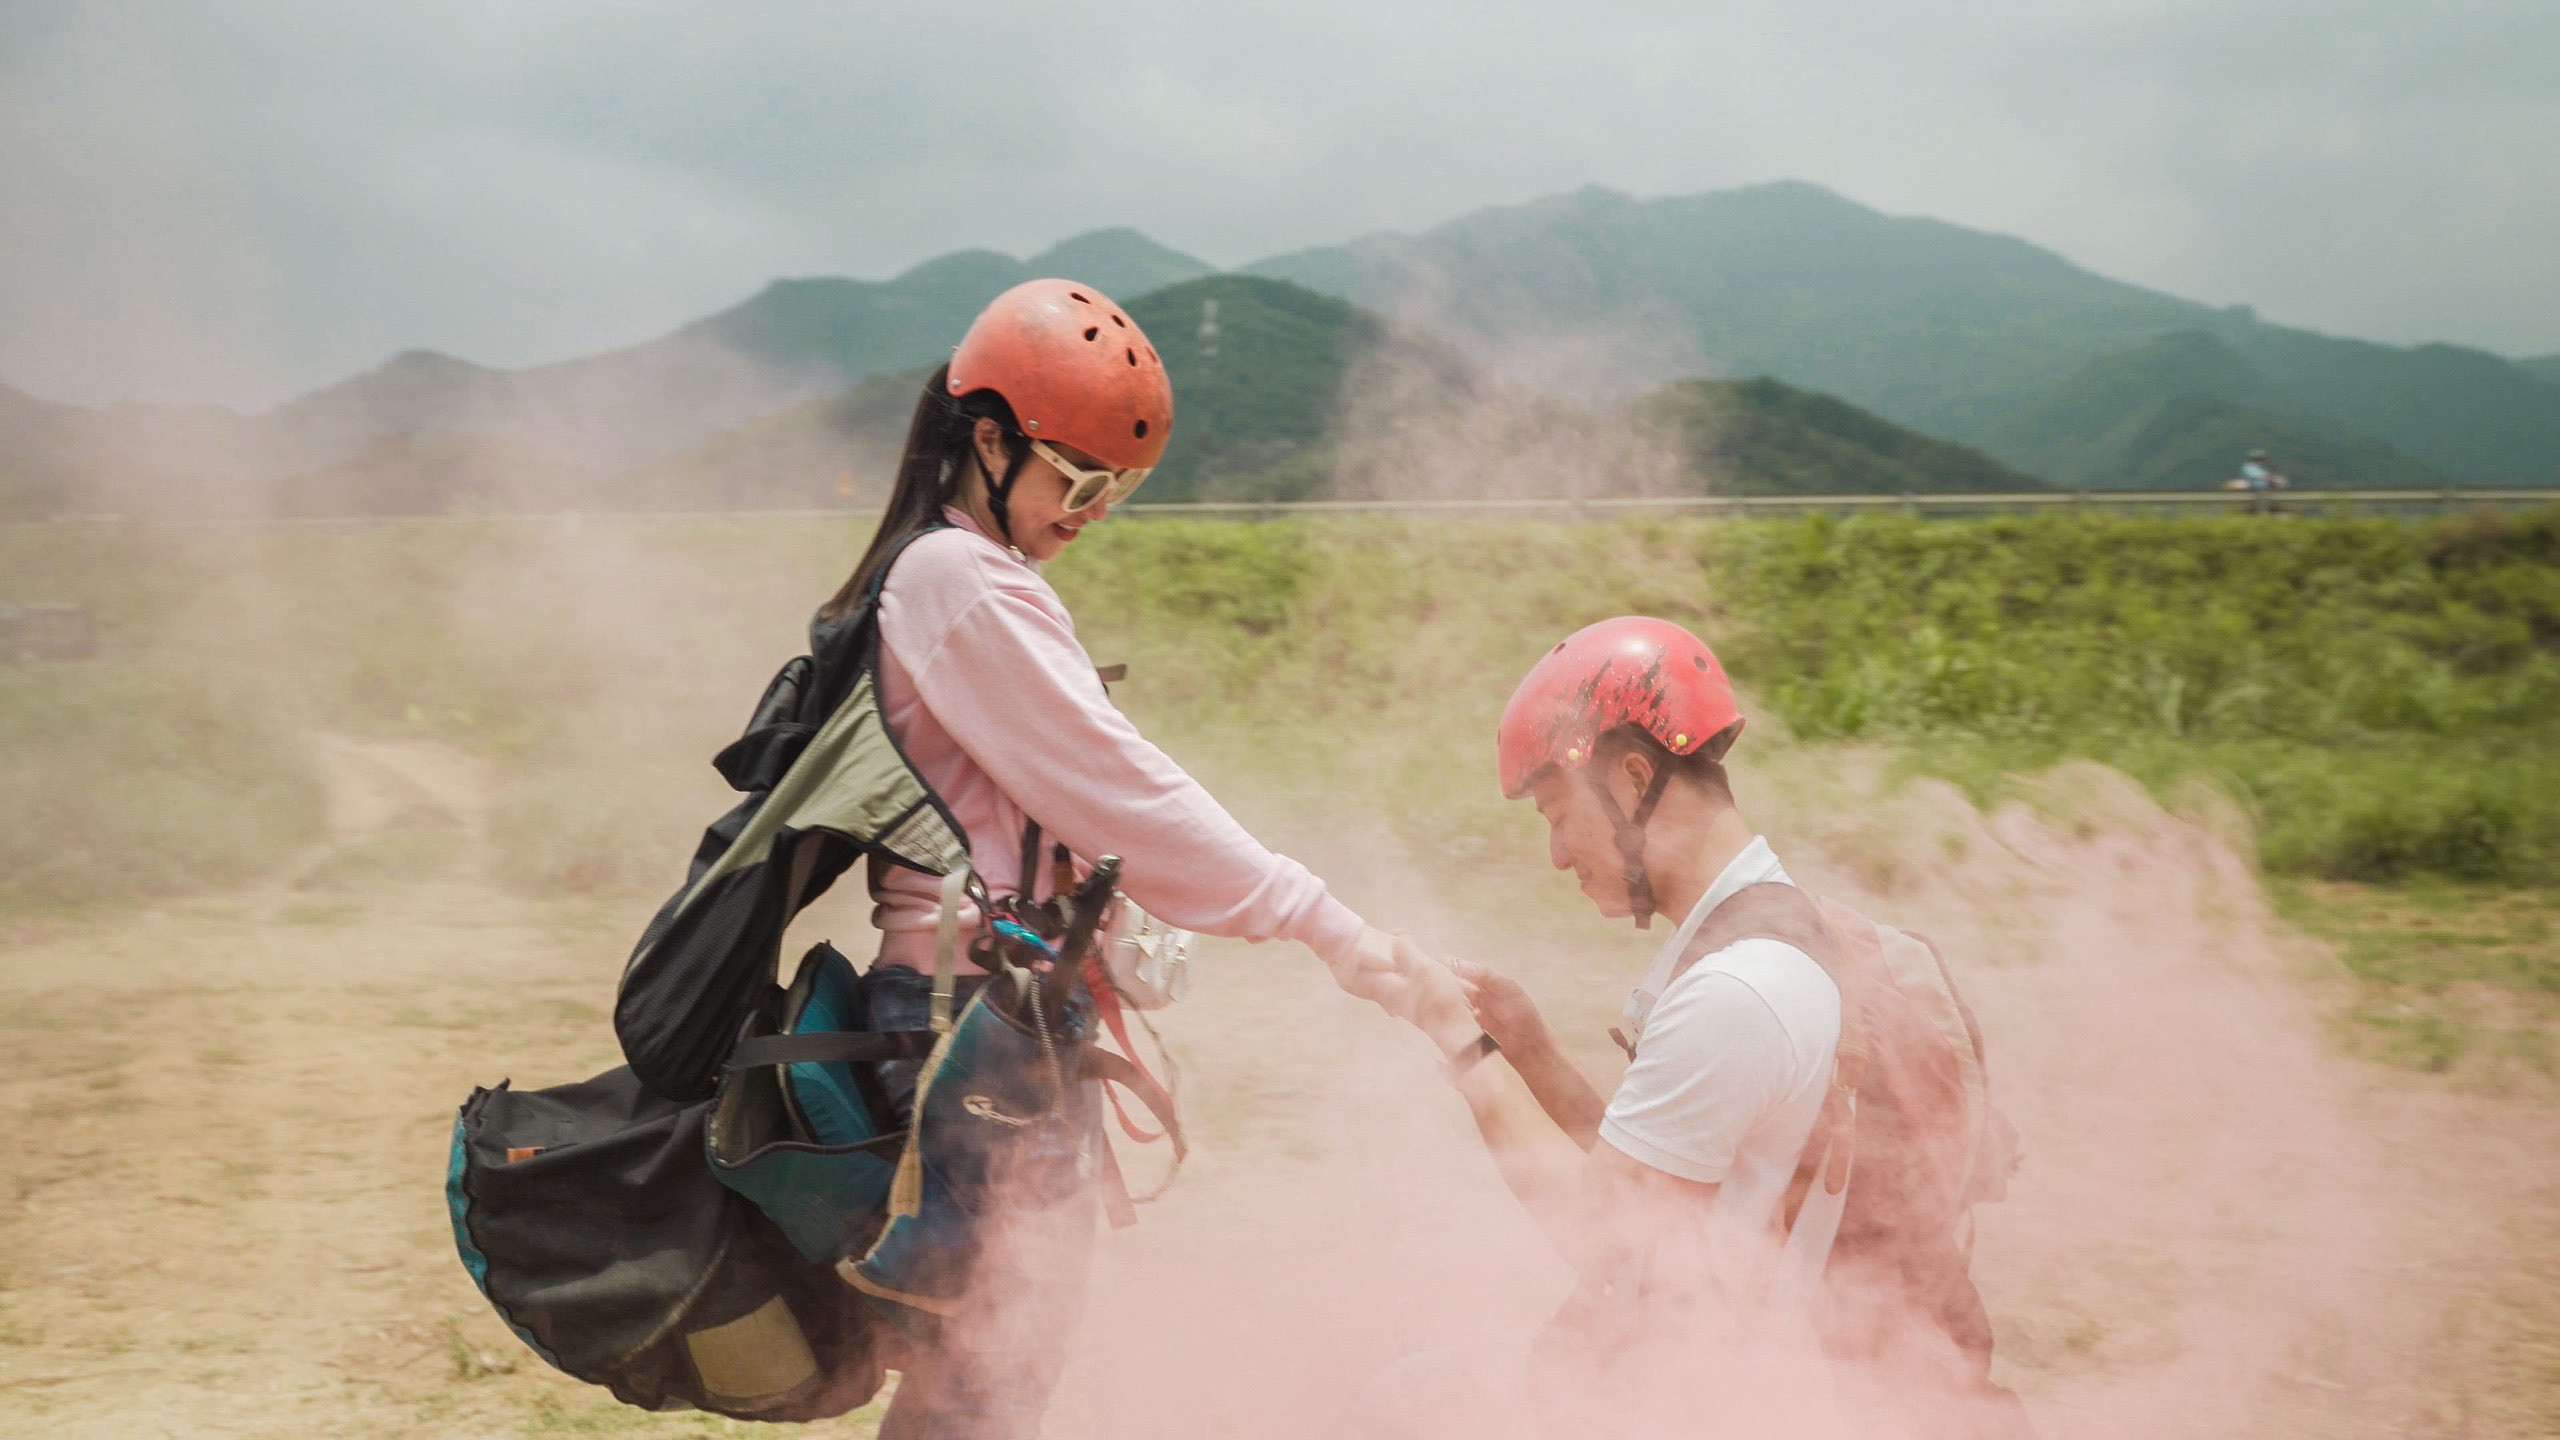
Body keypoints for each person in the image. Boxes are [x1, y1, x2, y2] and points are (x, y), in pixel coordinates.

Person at [823, 278, 1402, 1438]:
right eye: (1075, 479)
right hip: (973, 1026)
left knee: (979, 1376)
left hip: (998, 1016)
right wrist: (1324, 923)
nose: (1089, 512)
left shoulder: (981, 578)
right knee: (989, 1380)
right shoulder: (954, 580)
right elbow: (1118, 790)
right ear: (987, 440)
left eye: (1116, 492)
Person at [1355, 617, 2027, 1438]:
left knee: (1404, 1401)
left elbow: (1609, 1232)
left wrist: (1465, 1049)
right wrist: (1531, 1050)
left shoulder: (1739, 989)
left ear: (1634, 779)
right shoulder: (1789, 926)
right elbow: (1671, 1174)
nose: (1559, 855)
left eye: (1558, 813)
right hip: (1790, 1371)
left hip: (1759, 1401)